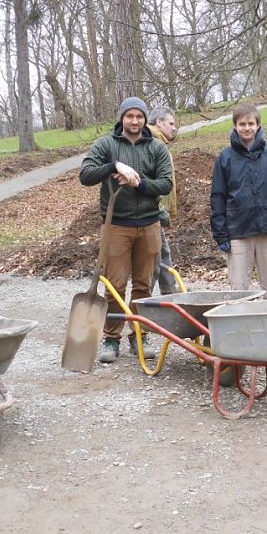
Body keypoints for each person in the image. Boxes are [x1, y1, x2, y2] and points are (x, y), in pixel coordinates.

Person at [80, 97, 173, 363]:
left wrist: (138, 183)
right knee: (115, 286)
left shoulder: (156, 148)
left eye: (139, 116)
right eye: (130, 116)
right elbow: (85, 175)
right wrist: (113, 166)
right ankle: (111, 339)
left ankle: (139, 335)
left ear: (145, 120)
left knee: (144, 285)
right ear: (122, 118)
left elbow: (165, 183)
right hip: (116, 225)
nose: (134, 121)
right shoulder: (106, 145)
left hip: (148, 224)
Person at [209, 104, 267, 300]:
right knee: (239, 289)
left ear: (258, 125)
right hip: (238, 231)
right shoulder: (225, 158)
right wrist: (220, 234)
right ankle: (239, 326)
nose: (247, 128)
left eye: (251, 123)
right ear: (235, 126)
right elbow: (217, 197)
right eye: (242, 124)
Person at [148, 106, 179, 296]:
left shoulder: (159, 143)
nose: (174, 128)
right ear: (158, 122)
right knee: (155, 257)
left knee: (163, 253)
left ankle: (171, 293)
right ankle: (143, 299)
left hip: (157, 212)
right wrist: (159, 209)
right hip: (151, 212)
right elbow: (150, 181)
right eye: (171, 123)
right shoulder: (151, 144)